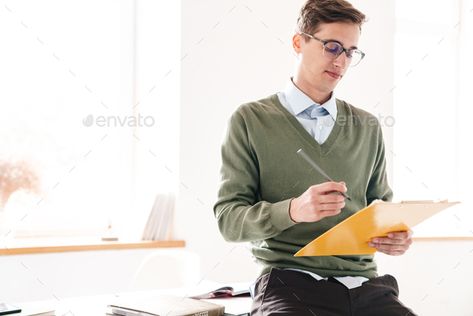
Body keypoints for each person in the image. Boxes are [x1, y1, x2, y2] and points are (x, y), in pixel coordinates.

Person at [213, 0, 415, 315]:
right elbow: (229, 220)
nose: (342, 61)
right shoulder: (251, 120)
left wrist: (395, 238)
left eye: (350, 52)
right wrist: (293, 210)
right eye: (333, 47)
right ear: (299, 42)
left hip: (365, 286)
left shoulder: (367, 126)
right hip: (290, 283)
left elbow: (381, 211)